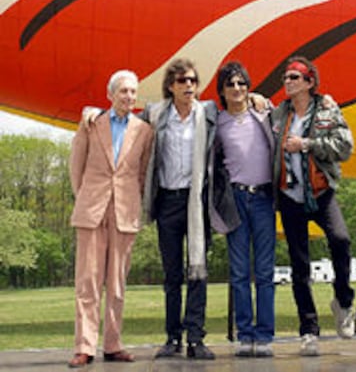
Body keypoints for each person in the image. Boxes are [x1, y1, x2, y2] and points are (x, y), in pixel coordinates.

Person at [68, 70, 154, 368]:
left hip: (124, 212)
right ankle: (84, 346)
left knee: (117, 284)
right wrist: (86, 197)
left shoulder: (145, 130)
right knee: (87, 283)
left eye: (133, 92)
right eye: (123, 91)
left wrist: (131, 200)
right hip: (92, 210)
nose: (129, 97)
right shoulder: (91, 122)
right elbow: (76, 165)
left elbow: (142, 174)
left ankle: (113, 344)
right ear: (110, 94)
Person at [271, 56, 354, 357]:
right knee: (299, 264)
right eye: (285, 77)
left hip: (321, 192)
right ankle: (309, 331)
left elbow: (345, 147)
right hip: (290, 197)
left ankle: (343, 301)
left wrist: (306, 144)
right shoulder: (279, 113)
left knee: (341, 240)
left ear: (309, 82)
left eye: (294, 77)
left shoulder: (328, 109)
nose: (288, 82)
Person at [141, 58, 217, 360]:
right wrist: (95, 112)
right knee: (172, 275)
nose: (189, 86)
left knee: (198, 271)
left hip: (196, 201)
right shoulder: (156, 114)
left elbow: (240, 103)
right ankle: (172, 337)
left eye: (193, 81)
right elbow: (123, 122)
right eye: (183, 81)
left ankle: (195, 339)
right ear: (171, 86)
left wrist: (257, 97)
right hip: (168, 201)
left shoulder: (208, 113)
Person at [213, 62, 276, 358]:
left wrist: (325, 100)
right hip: (235, 200)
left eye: (242, 84)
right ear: (222, 91)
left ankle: (264, 336)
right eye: (231, 85)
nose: (237, 89)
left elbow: (295, 111)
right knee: (239, 272)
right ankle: (245, 335)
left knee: (264, 271)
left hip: (263, 198)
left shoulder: (263, 113)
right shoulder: (217, 122)